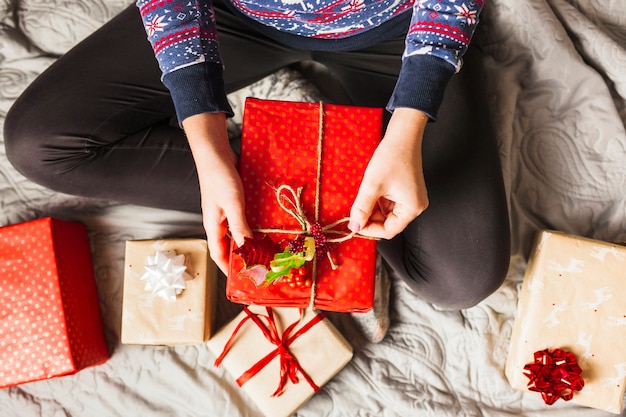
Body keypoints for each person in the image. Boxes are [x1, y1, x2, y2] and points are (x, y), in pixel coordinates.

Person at [4, 0, 510, 342]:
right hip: (231, 17)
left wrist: (408, 129)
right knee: (38, 144)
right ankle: (328, 223)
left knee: (460, 280)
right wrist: (206, 147)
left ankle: (331, 213)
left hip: (397, 29)